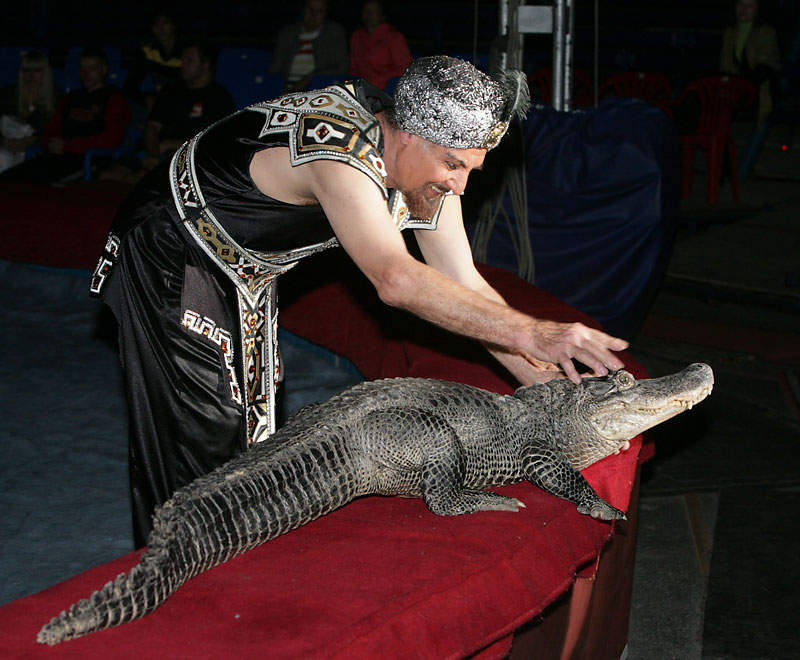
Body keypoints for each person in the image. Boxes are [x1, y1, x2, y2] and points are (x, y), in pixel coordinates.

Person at [90, 56, 628, 547]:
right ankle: (173, 582)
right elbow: (396, 279)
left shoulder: (429, 171)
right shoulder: (339, 152)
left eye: (471, 169)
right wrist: (535, 333)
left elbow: (461, 281)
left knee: (256, 430)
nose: (460, 185)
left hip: (247, 266)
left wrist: (564, 398)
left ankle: (235, 569)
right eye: (452, 165)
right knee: (201, 427)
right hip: (173, 246)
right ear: (408, 136)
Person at [100, 41, 234, 185]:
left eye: (190, 60)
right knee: (107, 176)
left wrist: (170, 144)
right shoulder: (170, 91)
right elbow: (152, 127)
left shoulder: (219, 97)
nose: (183, 64)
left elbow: (212, 140)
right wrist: (154, 153)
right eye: (183, 60)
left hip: (188, 158)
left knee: (134, 181)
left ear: (205, 64)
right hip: (155, 150)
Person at [0, 48, 130, 184]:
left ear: (104, 70)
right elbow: (50, 131)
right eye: (82, 68)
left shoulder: (114, 98)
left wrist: (68, 146)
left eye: (92, 69)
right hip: (57, 156)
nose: (85, 73)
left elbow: (112, 140)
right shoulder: (72, 97)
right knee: (9, 178)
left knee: (34, 182)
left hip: (88, 160)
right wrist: (51, 143)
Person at [719, 0, 781, 180]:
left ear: (758, 9)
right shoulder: (730, 32)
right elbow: (725, 66)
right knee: (715, 111)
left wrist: (740, 88)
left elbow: (765, 67)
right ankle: (723, 166)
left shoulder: (765, 32)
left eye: (750, 5)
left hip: (760, 88)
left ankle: (727, 167)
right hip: (736, 88)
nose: (743, 10)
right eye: (740, 4)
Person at [0, 50, 59, 173]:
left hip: (37, 150)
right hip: (7, 147)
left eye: (37, 70)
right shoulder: (8, 94)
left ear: (45, 72)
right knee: (2, 158)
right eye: (27, 70)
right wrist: (4, 141)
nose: (31, 75)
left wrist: (33, 141)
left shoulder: (56, 98)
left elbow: (56, 132)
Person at [269, 0, 348, 92]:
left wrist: (311, 78)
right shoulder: (288, 34)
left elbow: (342, 68)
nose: (314, 14)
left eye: (319, 11)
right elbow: (275, 69)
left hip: (318, 90)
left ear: (326, 14)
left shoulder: (334, 34)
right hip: (286, 90)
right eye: (310, 9)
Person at [123, 11, 183, 113]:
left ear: (173, 26)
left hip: (181, 99)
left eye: (165, 23)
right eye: (156, 24)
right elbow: (130, 85)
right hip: (158, 99)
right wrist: (146, 98)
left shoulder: (186, 51)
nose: (160, 28)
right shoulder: (147, 50)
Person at [349, 0, 412, 90]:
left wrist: (377, 81)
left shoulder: (394, 37)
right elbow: (353, 69)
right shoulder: (357, 36)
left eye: (373, 11)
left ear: (383, 15)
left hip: (387, 91)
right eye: (366, 10)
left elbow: (404, 69)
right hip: (360, 90)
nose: (368, 14)